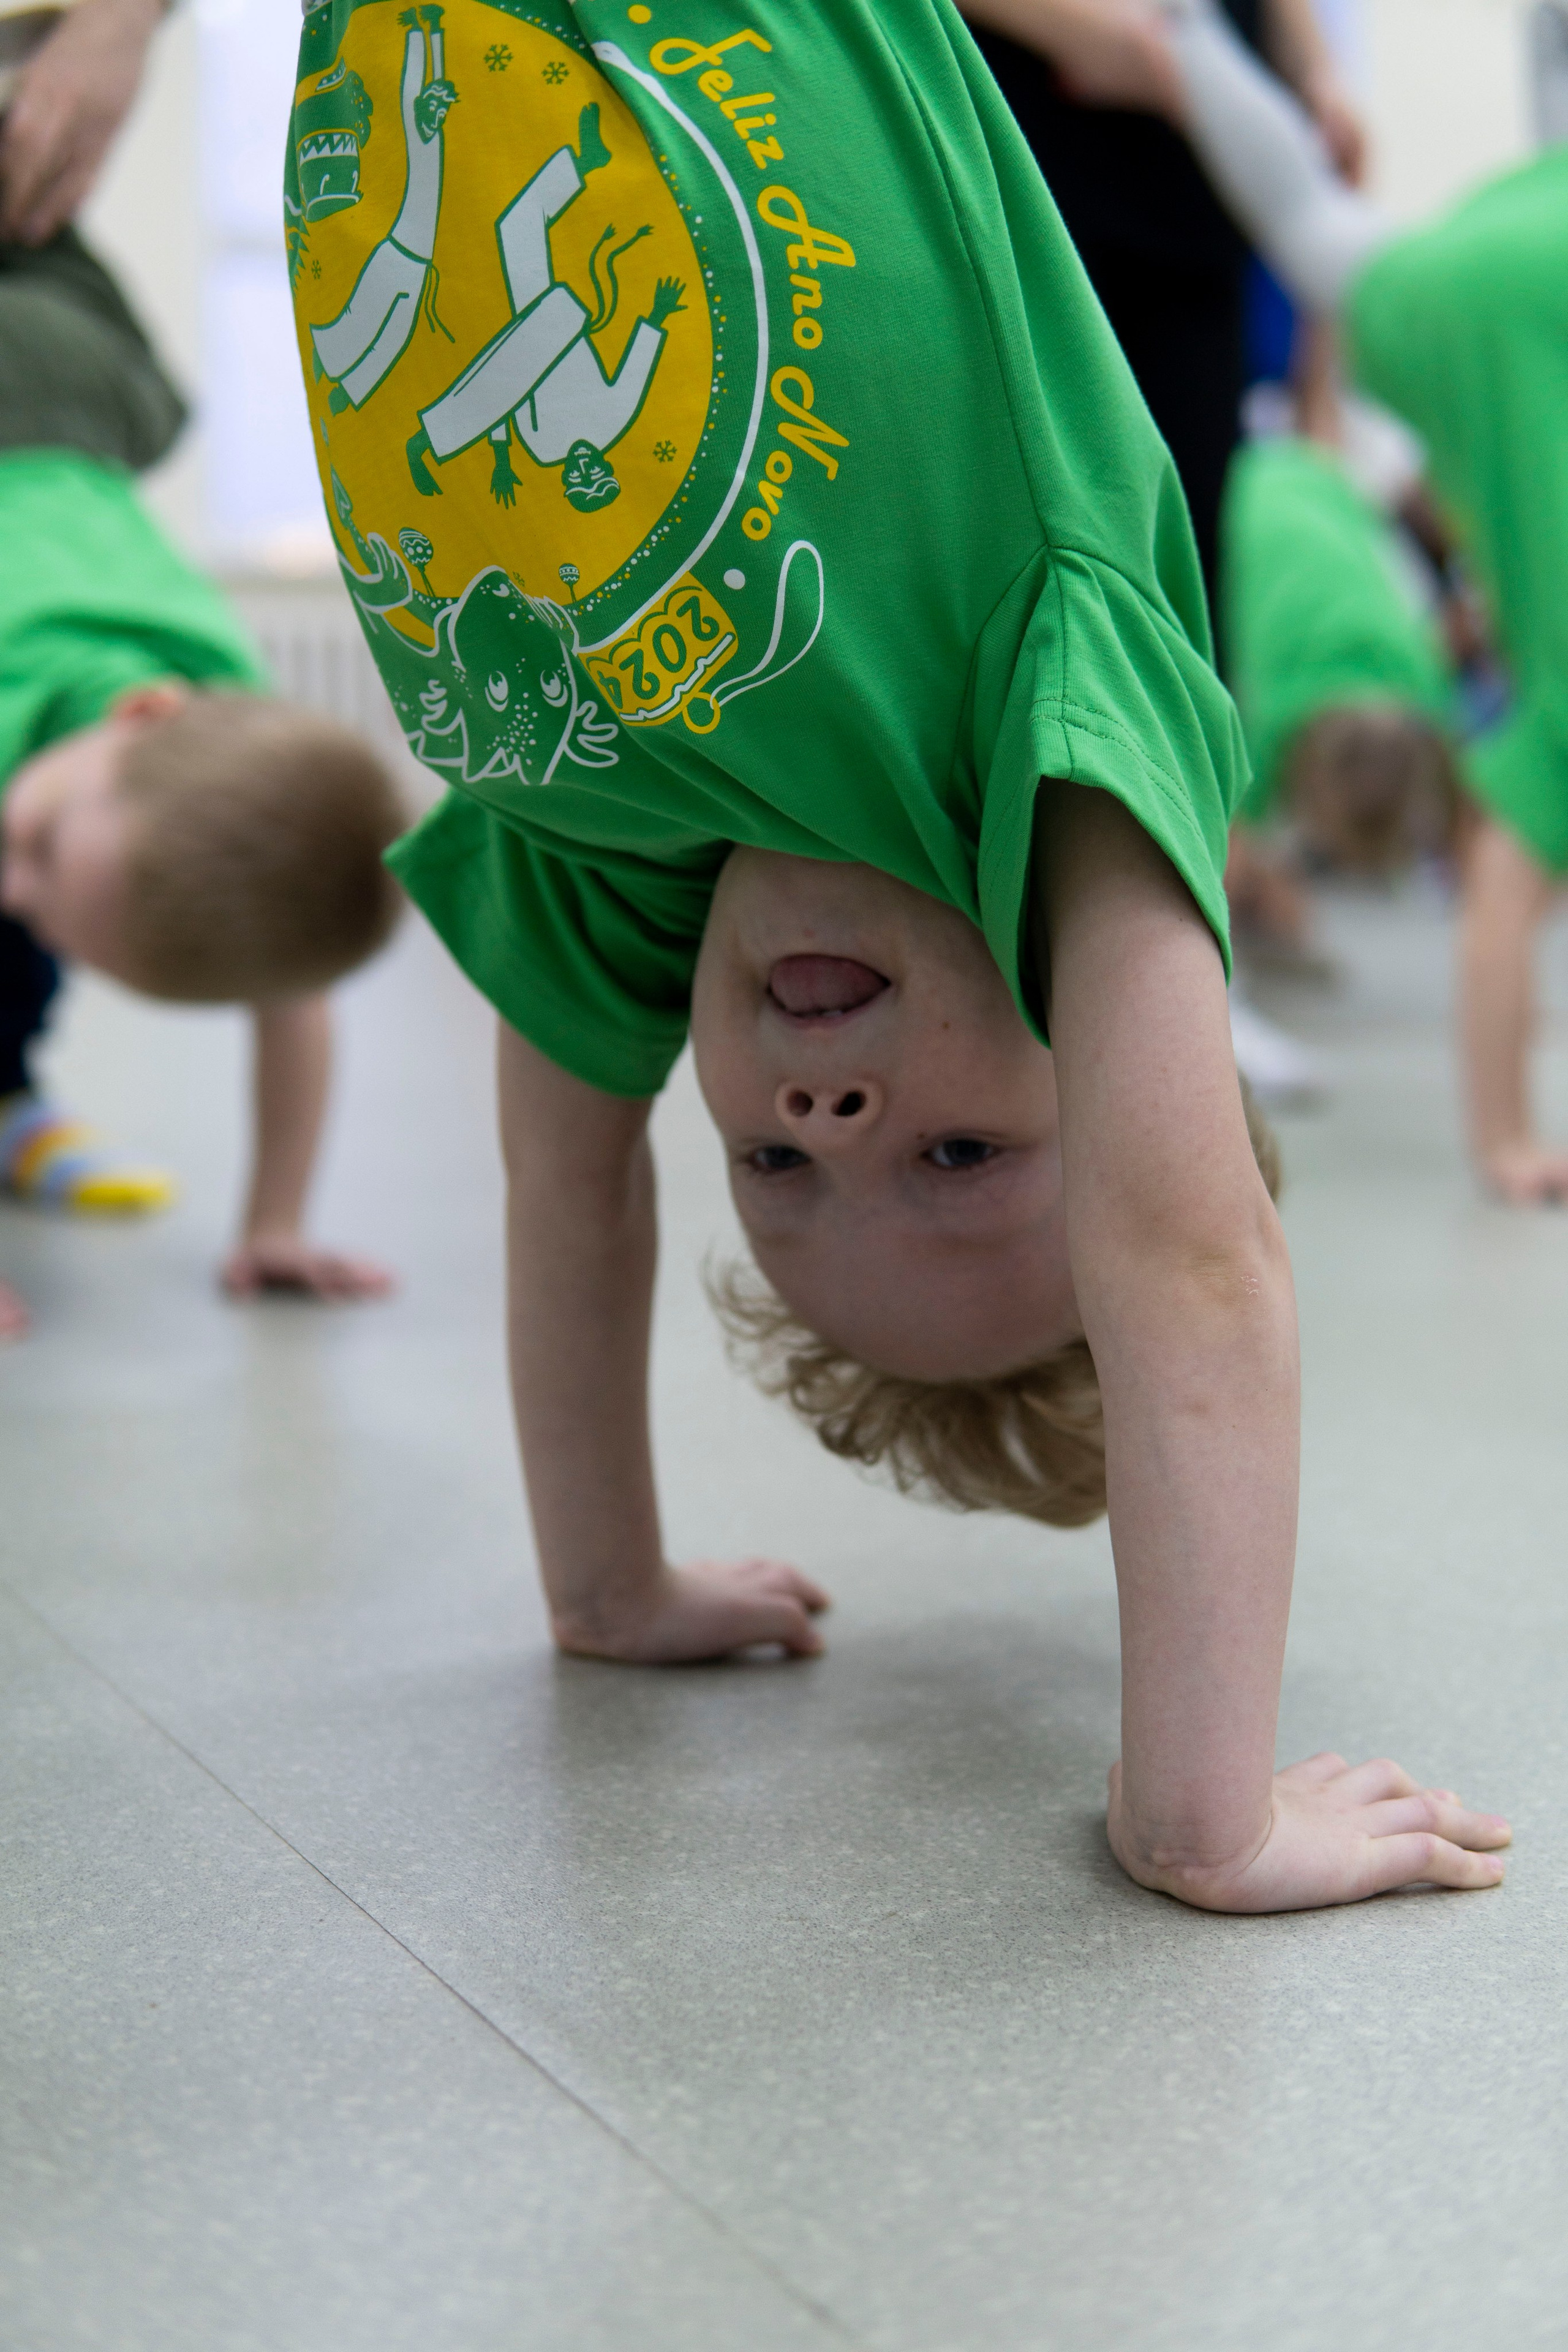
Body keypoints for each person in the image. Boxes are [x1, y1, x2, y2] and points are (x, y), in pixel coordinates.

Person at [290, 0, 1509, 1910]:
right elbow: (1191, 1261)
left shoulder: (617, 852)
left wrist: (605, 1584)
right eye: (954, 1156)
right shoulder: (1044, 722)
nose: (830, 1105)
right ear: (1105, 1077)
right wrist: (1199, 1815)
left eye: (776, 1164)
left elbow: (565, 1184)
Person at [1145, 0, 1568, 1202]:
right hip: (1477, 314)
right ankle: (1179, 38)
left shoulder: (1482, 694)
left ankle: (1179, 40)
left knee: (1314, 231)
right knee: (1310, 234)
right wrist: (1502, 1149)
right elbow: (1490, 923)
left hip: (1515, 254)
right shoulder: (1546, 725)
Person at [0, 224, 408, 1342]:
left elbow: (295, 991)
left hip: (94, 383)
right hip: (55, 376)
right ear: (141, 718)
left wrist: (275, 1222)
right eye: (35, 847)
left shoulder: (215, 726)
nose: (18, 883)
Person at [953, 0, 1363, 627]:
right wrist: (1090, 30)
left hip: (1195, 193)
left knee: (1188, 580)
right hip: (1044, 187)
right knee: (1037, 571)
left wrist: (1316, 71)